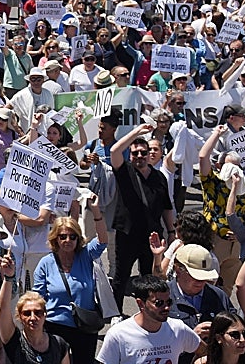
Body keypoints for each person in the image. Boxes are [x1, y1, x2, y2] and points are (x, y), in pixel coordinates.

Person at [110, 122, 175, 302]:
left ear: (149, 155)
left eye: (143, 152)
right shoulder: (124, 171)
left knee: (149, 277)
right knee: (121, 276)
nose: (140, 156)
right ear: (130, 156)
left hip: (152, 236)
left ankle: (147, 309)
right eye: (135, 153)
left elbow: (166, 207)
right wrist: (137, 131)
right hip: (127, 233)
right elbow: (114, 151)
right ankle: (116, 312)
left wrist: (171, 232)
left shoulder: (159, 177)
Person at [33, 212, 108, 364]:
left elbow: (102, 241)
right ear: (55, 238)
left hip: (84, 326)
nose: (68, 240)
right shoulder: (45, 263)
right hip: (55, 326)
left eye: (72, 236)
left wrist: (97, 212)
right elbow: (38, 298)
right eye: (63, 237)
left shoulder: (86, 255)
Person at [98, 275, 201, 364]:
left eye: (169, 302)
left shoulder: (178, 329)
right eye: (159, 303)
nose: (166, 308)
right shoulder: (118, 334)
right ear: (141, 303)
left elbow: (205, 352)